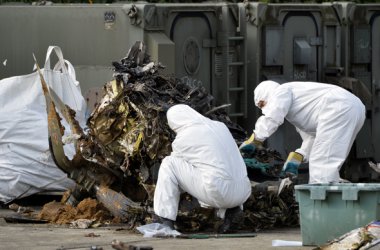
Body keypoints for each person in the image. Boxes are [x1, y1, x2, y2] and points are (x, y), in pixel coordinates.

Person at [240, 80, 366, 184]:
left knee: (321, 166)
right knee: (328, 161)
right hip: (353, 108)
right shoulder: (300, 107)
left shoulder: (281, 91)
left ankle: (322, 207)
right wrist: (298, 156)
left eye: (262, 104)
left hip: (337, 106)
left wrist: (255, 139)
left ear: (267, 94)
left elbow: (272, 117)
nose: (264, 108)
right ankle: (337, 193)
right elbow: (313, 138)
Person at [153, 104, 251, 232]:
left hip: (219, 192)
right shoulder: (221, 127)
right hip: (243, 191)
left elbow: (177, 173)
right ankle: (232, 212)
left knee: (169, 164)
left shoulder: (184, 137)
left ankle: (164, 221)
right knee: (221, 169)